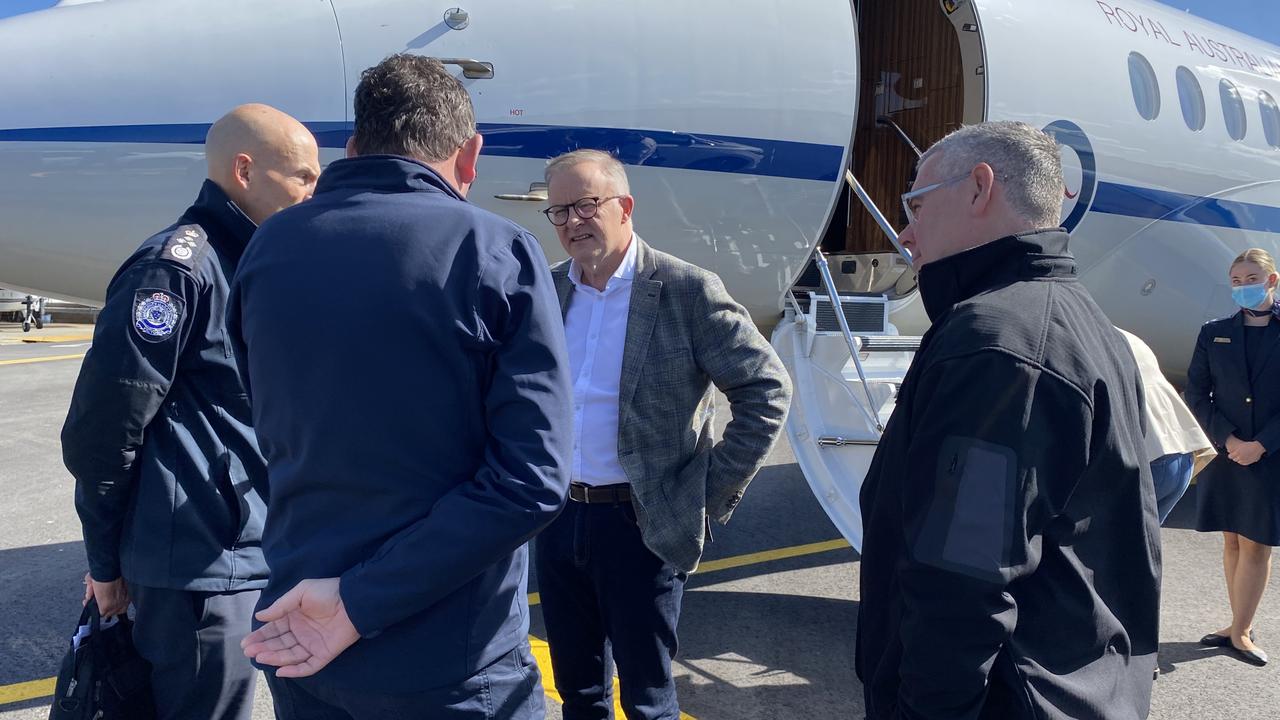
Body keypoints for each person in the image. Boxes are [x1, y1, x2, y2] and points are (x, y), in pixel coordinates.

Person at [232, 54, 573, 719]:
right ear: (468, 157)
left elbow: (270, 421)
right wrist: (360, 602)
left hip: (298, 637)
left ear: (355, 147)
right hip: (448, 661)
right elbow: (531, 479)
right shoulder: (496, 251)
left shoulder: (269, 248)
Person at [856, 121, 1159, 719]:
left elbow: (962, 579)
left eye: (915, 203)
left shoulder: (996, 343)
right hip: (1077, 685)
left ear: (979, 188)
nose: (905, 232)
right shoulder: (1078, 318)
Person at [61, 103, 320, 720]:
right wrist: (106, 562)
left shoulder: (252, 261)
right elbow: (103, 429)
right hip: (199, 569)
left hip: (246, 550)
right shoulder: (177, 272)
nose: (315, 190)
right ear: (244, 169)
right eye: (303, 176)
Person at [534, 149, 792, 720]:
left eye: (586, 205)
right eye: (558, 211)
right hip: (558, 519)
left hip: (640, 522)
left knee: (648, 699)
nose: (573, 222)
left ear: (624, 207)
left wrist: (702, 492)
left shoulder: (685, 289)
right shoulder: (549, 291)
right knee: (578, 693)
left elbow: (766, 390)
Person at [1185, 248, 1280, 667]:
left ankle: (1240, 630)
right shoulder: (1214, 332)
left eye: (1252, 278)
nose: (1243, 287)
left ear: (1272, 280)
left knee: (1256, 543)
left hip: (1270, 455)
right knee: (1231, 538)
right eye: (1237, 281)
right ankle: (1238, 622)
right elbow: (1196, 394)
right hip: (1228, 453)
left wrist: (1260, 444)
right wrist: (1227, 440)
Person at [1118, 328, 1216, 524]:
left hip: (1145, 458)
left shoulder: (1075, 337)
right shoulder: (1125, 336)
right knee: (1141, 546)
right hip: (1180, 452)